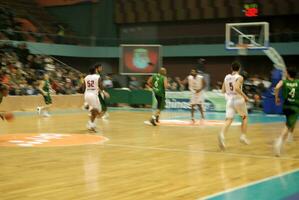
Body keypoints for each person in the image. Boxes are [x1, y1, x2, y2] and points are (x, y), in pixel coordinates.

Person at [218, 62, 250, 151]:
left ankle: (222, 134)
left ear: (231, 68)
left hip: (229, 101)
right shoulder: (240, 77)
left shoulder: (226, 77)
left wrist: (228, 96)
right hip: (238, 100)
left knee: (229, 120)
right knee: (244, 117)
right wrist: (245, 97)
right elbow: (236, 88)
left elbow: (223, 90)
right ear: (239, 68)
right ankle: (243, 136)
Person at [274, 67, 299, 156]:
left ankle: (290, 136)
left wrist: (276, 98)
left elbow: (276, 87)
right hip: (295, 107)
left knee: (290, 121)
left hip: (286, 106)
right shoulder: (298, 82)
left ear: (288, 74)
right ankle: (279, 142)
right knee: (288, 126)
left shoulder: (284, 81)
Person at [83, 67, 102, 132]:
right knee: (98, 111)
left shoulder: (86, 77)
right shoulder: (97, 76)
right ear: (95, 71)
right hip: (93, 95)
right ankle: (91, 125)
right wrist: (103, 91)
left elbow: (83, 88)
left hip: (87, 95)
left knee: (95, 111)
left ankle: (91, 125)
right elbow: (101, 86)